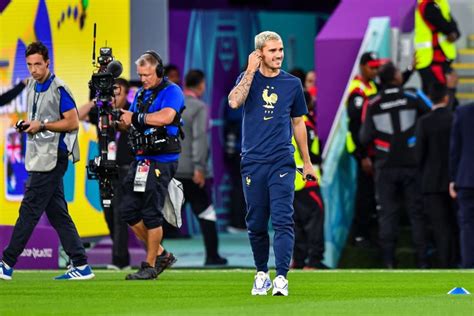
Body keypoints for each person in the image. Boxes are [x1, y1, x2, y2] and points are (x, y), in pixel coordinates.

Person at [228, 31, 316, 296]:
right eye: (272, 51)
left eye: (280, 50)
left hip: (282, 161)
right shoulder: (247, 79)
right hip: (253, 162)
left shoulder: (292, 84)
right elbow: (234, 102)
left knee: (282, 219)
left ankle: (282, 278)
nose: (279, 55)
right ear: (259, 54)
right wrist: (249, 71)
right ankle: (261, 274)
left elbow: (298, 123)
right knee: (256, 222)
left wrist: (307, 162)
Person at [0, 41, 94, 280]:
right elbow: (39, 119)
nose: (33, 70)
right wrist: (29, 126)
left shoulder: (59, 88)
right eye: (30, 65)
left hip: (54, 156)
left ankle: (6, 263)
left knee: (29, 210)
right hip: (40, 156)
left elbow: (72, 122)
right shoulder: (32, 86)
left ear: (48, 63)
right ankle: (81, 265)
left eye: (38, 65)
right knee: (57, 213)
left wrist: (41, 125)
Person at [119, 50, 184, 280]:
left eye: (147, 74)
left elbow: (166, 117)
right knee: (127, 209)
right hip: (142, 159)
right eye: (140, 74)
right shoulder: (140, 94)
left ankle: (150, 265)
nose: (143, 79)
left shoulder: (172, 91)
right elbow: (134, 123)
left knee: (150, 213)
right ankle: (161, 254)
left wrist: (134, 118)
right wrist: (120, 121)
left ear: (158, 71)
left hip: (161, 160)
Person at [359, 61, 430, 269]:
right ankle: (423, 262)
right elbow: (431, 115)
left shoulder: (372, 103)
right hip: (412, 163)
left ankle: (389, 262)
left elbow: (364, 137)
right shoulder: (413, 96)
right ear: (397, 77)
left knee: (387, 213)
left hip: (385, 166)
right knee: (416, 212)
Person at [78, 78, 133, 269]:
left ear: (126, 94)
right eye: (113, 94)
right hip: (105, 171)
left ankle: (119, 261)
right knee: (109, 215)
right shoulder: (103, 112)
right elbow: (78, 115)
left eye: (119, 94)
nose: (115, 98)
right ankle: (122, 258)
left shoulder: (131, 113)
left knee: (119, 216)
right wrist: (98, 100)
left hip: (125, 171)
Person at [175, 69, 227, 266]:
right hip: (191, 172)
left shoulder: (175, 105)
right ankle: (212, 255)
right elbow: (200, 138)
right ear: (201, 85)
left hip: (173, 169)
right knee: (206, 213)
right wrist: (200, 168)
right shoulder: (199, 107)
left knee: (165, 216)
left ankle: (152, 255)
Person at [415, 83, 459, 268]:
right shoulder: (455, 119)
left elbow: (419, 155)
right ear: (446, 98)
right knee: (456, 224)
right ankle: (460, 262)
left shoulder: (423, 122)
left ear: (430, 99)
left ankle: (445, 265)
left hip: (431, 183)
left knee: (440, 227)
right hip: (454, 181)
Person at [346, 52, 381, 247]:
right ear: (362, 67)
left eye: (377, 67)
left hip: (371, 149)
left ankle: (367, 232)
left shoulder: (372, 86)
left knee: (371, 191)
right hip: (362, 151)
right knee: (365, 192)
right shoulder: (357, 91)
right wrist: (363, 156)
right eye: (372, 67)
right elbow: (355, 126)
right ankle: (360, 235)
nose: (375, 70)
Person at [292, 91, 326, 270]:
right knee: (315, 220)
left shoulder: (289, 121)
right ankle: (314, 262)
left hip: (292, 181)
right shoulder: (305, 123)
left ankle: (298, 261)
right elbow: (312, 155)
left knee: (296, 223)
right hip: (307, 181)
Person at [415, 0, 460, 100]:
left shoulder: (441, 4)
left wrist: (454, 32)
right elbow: (446, 27)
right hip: (430, 59)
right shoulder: (427, 5)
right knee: (434, 97)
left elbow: (454, 28)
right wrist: (452, 31)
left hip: (439, 58)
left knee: (442, 95)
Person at [449, 101, 474, 269]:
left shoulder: (462, 112)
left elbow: (454, 148)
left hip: (466, 179)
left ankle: (468, 267)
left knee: (467, 226)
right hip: (466, 179)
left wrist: (453, 178)